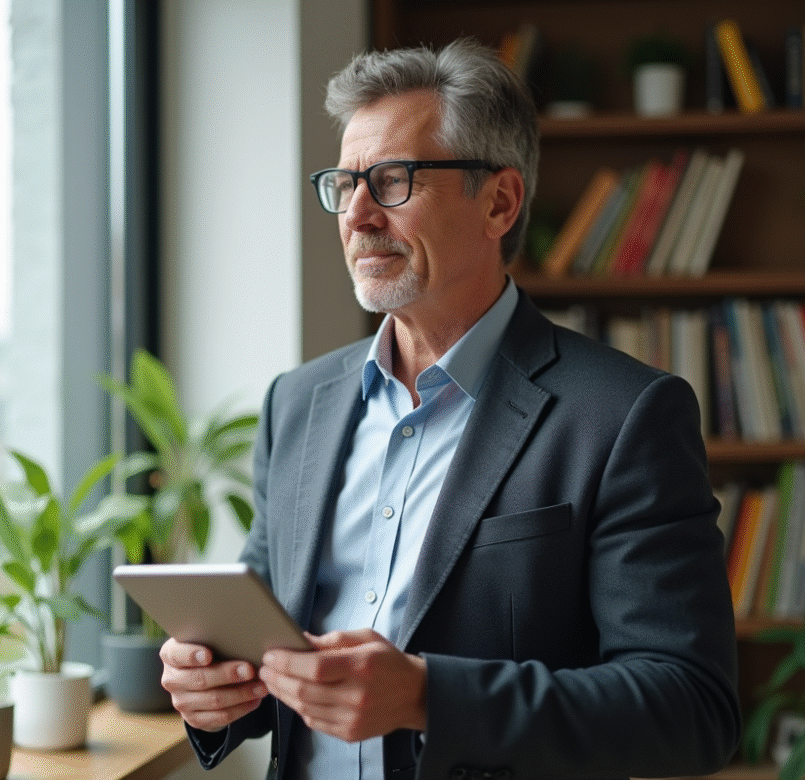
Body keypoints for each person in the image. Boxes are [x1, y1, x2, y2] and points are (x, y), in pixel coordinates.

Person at [161, 37, 741, 780]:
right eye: (345, 183)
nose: (358, 214)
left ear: (499, 201)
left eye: (394, 180)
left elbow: (690, 710)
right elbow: (273, 648)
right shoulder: (296, 405)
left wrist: (431, 697)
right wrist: (218, 688)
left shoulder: (625, 415)